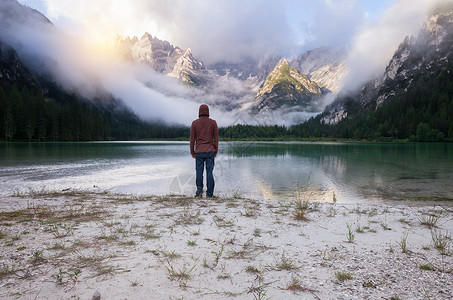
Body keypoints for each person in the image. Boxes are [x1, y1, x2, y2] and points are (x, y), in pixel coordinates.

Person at [190, 104, 219, 197]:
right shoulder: (213, 122)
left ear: (199, 111)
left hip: (199, 151)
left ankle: (199, 192)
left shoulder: (194, 123)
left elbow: (192, 139)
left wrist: (192, 151)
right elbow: (216, 139)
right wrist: (216, 150)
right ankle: (209, 194)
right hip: (210, 151)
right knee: (209, 172)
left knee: (199, 172)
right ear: (208, 111)